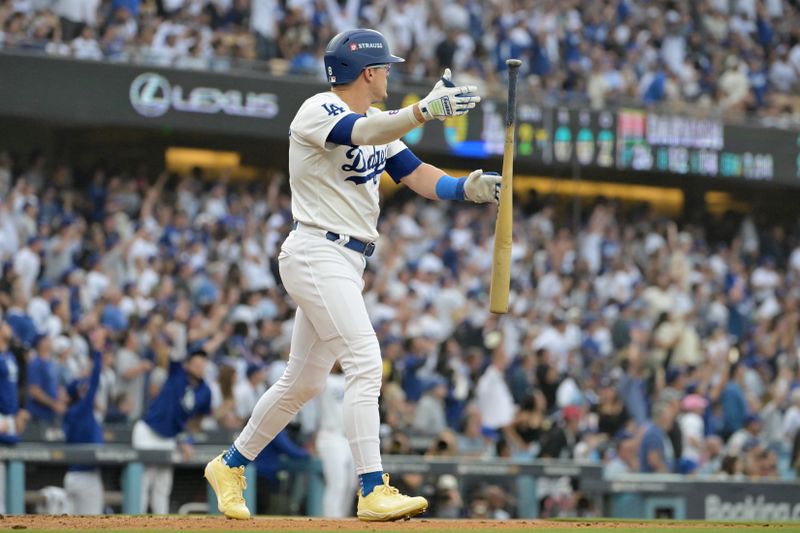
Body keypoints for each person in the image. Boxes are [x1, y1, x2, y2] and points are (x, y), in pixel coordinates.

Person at [205, 27, 493, 522]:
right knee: (365, 360)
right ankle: (372, 487)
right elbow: (359, 134)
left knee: (303, 382)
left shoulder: (380, 119)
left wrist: (466, 188)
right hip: (317, 249)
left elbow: (416, 174)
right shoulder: (318, 110)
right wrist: (423, 110)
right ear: (368, 72)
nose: (389, 75)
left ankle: (230, 464)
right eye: (386, 68)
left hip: (346, 260)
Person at [133, 320, 211, 515]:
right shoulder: (178, 373)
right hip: (149, 430)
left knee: (162, 486)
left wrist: (187, 439)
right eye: (197, 361)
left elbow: (196, 421)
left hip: (169, 437)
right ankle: (133, 525)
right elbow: (172, 353)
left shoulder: (205, 390)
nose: (200, 365)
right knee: (143, 483)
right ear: (189, 364)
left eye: (203, 362)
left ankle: (161, 526)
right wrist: (172, 335)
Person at [63, 328, 106, 515]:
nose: (85, 391)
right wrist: (97, 350)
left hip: (72, 476)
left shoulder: (70, 413)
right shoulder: (81, 409)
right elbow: (95, 380)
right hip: (86, 477)